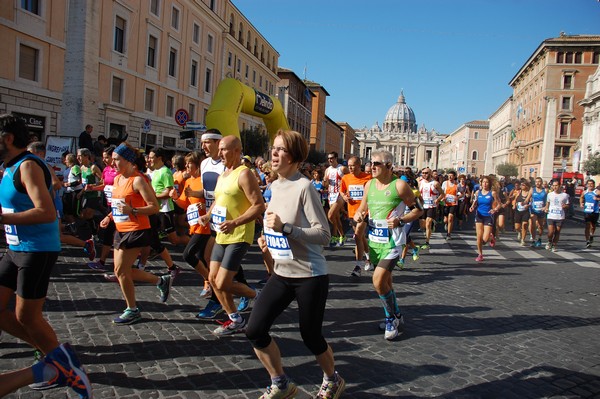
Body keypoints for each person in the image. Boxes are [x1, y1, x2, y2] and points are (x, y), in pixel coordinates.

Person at [246, 130, 345, 399]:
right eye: (273, 148)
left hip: (310, 275)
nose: (274, 154)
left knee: (310, 336)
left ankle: (332, 379)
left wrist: (287, 228)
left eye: (281, 150)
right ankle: (280, 383)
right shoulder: (273, 186)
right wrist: (267, 238)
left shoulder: (305, 188)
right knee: (254, 329)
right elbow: (274, 222)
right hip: (281, 272)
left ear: (295, 157)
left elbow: (323, 235)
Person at [0, 114, 92, 398]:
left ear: (8, 138)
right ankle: (56, 358)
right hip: (15, 248)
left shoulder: (27, 165)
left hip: (37, 250)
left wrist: (1, 218)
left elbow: (46, 212)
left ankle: (59, 363)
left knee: (26, 316)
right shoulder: (9, 166)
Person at [98, 143, 172, 324]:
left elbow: (154, 206)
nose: (112, 163)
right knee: (121, 270)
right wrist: (109, 216)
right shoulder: (117, 179)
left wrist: (133, 210)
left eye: (116, 159)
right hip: (120, 229)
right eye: (112, 159)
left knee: (121, 271)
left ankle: (132, 309)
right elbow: (118, 204)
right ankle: (160, 281)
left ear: (129, 161)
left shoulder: (138, 180)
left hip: (137, 229)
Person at [353, 150, 423, 340]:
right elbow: (362, 208)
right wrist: (358, 215)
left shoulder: (399, 185)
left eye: (377, 164)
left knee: (377, 281)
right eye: (371, 163)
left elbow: (418, 210)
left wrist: (401, 220)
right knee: (386, 283)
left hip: (393, 242)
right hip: (375, 241)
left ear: (389, 166)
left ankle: (390, 318)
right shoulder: (369, 185)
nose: (372, 166)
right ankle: (397, 314)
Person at [200, 135, 263, 335]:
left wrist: (235, 222)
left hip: (239, 234)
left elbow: (258, 205)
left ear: (237, 150)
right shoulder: (223, 175)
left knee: (223, 282)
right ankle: (235, 319)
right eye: (219, 150)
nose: (220, 154)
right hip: (222, 233)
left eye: (224, 149)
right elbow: (220, 201)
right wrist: (207, 216)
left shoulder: (244, 174)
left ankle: (257, 295)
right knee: (212, 279)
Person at [171, 151, 214, 313]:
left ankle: (210, 281)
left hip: (205, 225)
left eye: (190, 163)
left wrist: (206, 207)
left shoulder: (205, 181)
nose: (187, 166)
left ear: (198, 164)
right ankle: (209, 282)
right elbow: (183, 203)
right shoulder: (189, 181)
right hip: (193, 224)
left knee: (189, 255)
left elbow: (213, 199)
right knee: (201, 256)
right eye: (186, 163)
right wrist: (175, 197)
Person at [148, 147, 189, 246]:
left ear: (159, 158)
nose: (149, 160)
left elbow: (168, 193)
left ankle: (197, 242)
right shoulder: (155, 171)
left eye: (151, 157)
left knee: (174, 240)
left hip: (165, 210)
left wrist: (153, 197)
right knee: (152, 234)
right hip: (156, 209)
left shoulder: (165, 172)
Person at [340, 156, 371, 277]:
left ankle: (358, 266)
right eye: (349, 166)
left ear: (359, 165)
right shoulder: (346, 178)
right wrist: (344, 197)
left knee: (358, 235)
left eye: (352, 165)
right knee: (361, 237)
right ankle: (368, 257)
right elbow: (342, 191)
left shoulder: (368, 178)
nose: (350, 168)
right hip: (352, 212)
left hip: (364, 212)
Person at [469, 175, 501, 262]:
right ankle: (480, 254)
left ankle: (491, 238)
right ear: (481, 183)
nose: (485, 184)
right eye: (483, 182)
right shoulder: (477, 193)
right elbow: (475, 202)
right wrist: (472, 207)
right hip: (479, 215)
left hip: (488, 216)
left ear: (489, 184)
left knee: (485, 239)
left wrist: (494, 209)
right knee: (479, 237)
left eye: (486, 182)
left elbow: (499, 204)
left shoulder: (492, 193)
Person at [324, 151, 348, 246]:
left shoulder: (342, 168)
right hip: (331, 194)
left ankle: (338, 235)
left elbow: (350, 178)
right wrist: (325, 181)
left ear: (336, 158)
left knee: (330, 215)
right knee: (336, 217)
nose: (330, 160)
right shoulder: (327, 170)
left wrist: (343, 184)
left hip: (339, 194)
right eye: (329, 158)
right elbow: (325, 185)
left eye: (332, 158)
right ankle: (340, 235)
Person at [418, 168, 442, 249]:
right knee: (422, 225)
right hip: (422, 206)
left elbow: (443, 194)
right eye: (423, 173)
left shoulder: (435, 184)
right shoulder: (420, 182)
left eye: (426, 173)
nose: (424, 174)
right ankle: (432, 225)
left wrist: (437, 200)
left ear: (430, 173)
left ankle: (427, 242)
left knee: (428, 223)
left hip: (431, 206)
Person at [544, 180, 570, 252]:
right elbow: (547, 203)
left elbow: (568, 205)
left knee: (557, 232)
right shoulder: (549, 194)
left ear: (559, 186)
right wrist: (546, 208)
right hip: (551, 215)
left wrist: (565, 206)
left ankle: (554, 245)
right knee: (551, 232)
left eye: (556, 185)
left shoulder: (565, 195)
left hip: (560, 216)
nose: (555, 187)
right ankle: (549, 241)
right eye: (553, 185)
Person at [580, 179, 600, 248]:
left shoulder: (597, 192)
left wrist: (597, 199)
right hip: (587, 211)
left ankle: (591, 234)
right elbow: (581, 198)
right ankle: (587, 241)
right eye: (589, 184)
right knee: (587, 225)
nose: (590, 185)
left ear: (594, 185)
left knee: (593, 226)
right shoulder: (585, 192)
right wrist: (581, 203)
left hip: (595, 211)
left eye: (591, 184)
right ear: (587, 185)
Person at [529, 177, 547, 248]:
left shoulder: (545, 190)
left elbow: (548, 201)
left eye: (539, 182)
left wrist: (545, 207)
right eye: (536, 182)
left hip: (541, 211)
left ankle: (539, 238)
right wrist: (524, 203)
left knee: (540, 226)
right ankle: (533, 240)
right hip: (533, 210)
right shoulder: (532, 190)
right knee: (533, 225)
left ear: (541, 183)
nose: (537, 183)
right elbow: (528, 198)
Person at [512, 180, 532, 246]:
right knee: (517, 227)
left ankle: (523, 239)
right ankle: (519, 232)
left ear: (527, 186)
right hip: (518, 211)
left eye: (523, 185)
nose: (521, 186)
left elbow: (532, 202)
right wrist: (514, 205)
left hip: (525, 211)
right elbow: (515, 199)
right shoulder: (519, 192)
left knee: (525, 224)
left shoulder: (529, 193)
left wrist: (528, 205)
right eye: (521, 185)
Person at [441, 170, 459, 240]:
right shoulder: (445, 183)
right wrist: (442, 198)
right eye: (449, 176)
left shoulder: (457, 184)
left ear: (454, 177)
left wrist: (457, 197)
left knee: (451, 218)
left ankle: (448, 234)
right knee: (445, 220)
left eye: (451, 176)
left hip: (453, 203)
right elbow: (442, 192)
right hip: (446, 203)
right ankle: (446, 224)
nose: (450, 177)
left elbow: (461, 193)